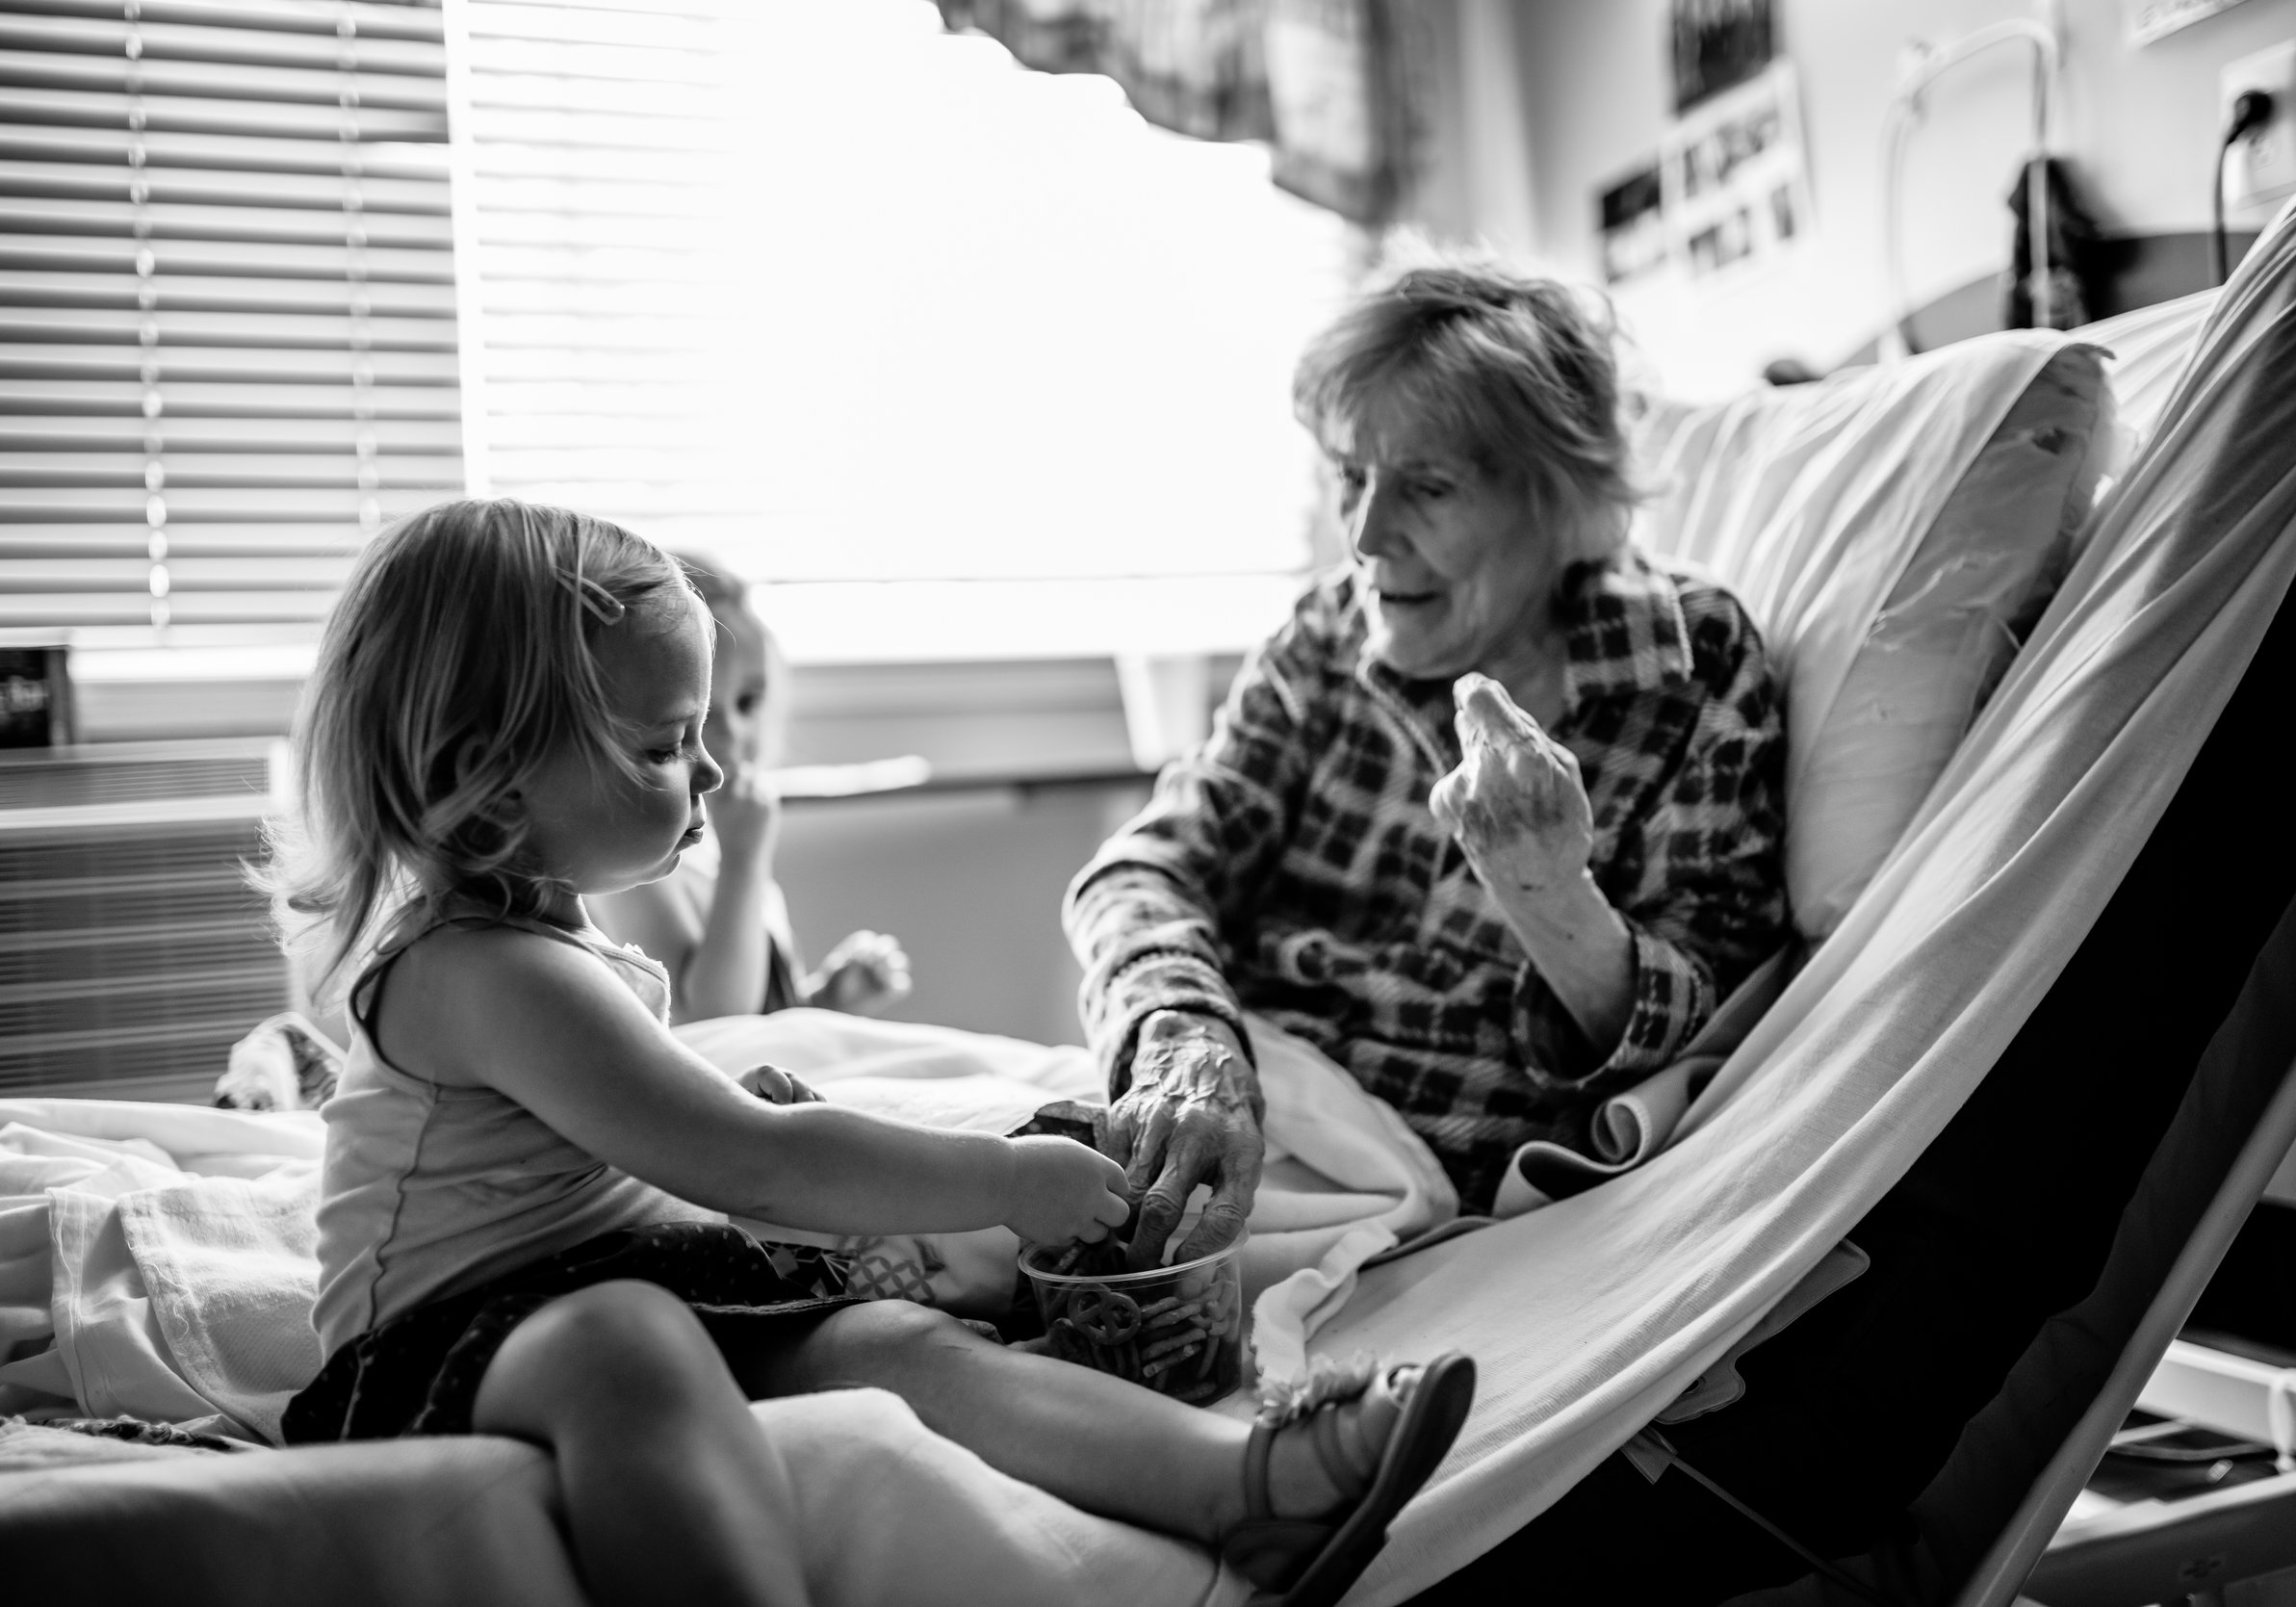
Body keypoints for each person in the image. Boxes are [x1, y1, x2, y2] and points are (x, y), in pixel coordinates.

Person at [265, 499, 1473, 1607]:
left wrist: (726, 1110)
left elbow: (626, 1140)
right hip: (436, 1355)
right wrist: (1001, 1181)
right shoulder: (482, 970)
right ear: (487, 796)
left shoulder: (543, 936)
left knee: (890, 1346)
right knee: (620, 1345)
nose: (713, 769)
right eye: (660, 745)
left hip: (587, 1285)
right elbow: (754, 1163)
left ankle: (1244, 1484)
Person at [1069, 257, 1790, 1268]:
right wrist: (1186, 1043)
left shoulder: (1693, 665)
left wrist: (1547, 892)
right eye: (1348, 475)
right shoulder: (1325, 636)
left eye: (1428, 486)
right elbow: (1144, 869)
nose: (1364, 535)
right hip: (1243, 1088)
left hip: (1420, 1170)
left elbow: (1718, 1030)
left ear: (1560, 498)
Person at [590, 554, 911, 1022]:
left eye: (748, 702)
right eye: (702, 713)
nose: (736, 732)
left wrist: (825, 999)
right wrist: (744, 863)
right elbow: (709, 1023)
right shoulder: (634, 860)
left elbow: (759, 1017)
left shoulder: (723, 849)